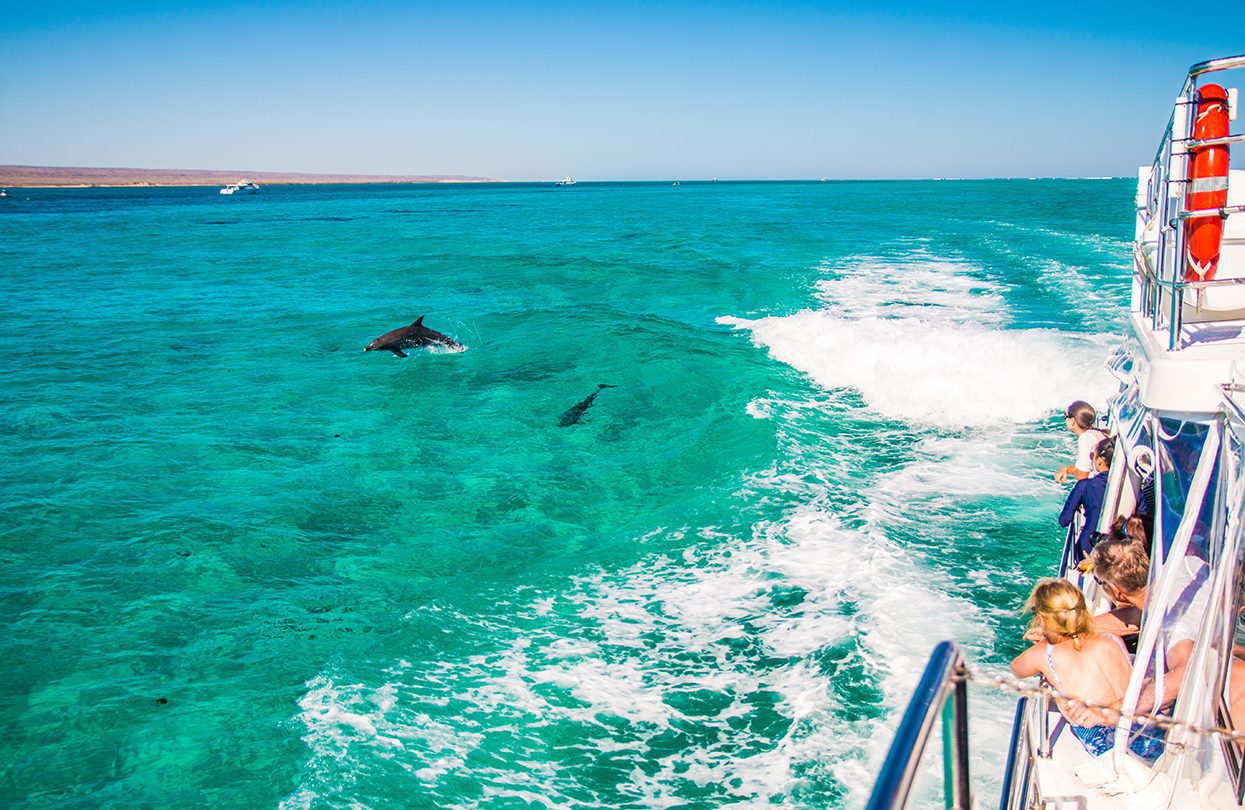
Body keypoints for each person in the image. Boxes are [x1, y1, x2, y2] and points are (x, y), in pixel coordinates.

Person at [1010, 578, 1163, 759]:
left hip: (1109, 742)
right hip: (1149, 733)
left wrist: (1044, 642)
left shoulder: (1044, 653)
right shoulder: (1111, 638)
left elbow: (1016, 670)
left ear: (1042, 618)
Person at [1087, 536, 1210, 715]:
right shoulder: (1181, 566)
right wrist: (1072, 626)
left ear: (1116, 591)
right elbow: (1140, 615)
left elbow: (1186, 673)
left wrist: (1112, 711)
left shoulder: (1173, 628)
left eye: (1100, 582)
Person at [1060, 437, 1114, 563]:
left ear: (1100, 461)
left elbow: (1064, 520)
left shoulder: (1085, 486)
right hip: (1119, 547)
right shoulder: (1128, 486)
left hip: (1088, 548)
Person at [1055, 401, 1107, 484]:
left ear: (1072, 421)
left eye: (1066, 416)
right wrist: (1067, 469)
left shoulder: (1085, 439)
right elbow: (1084, 467)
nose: (1065, 419)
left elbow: (1082, 477)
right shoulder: (1096, 433)